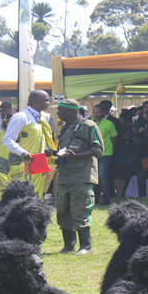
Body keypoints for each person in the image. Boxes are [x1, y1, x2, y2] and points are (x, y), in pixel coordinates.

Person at [46, 99, 103, 254]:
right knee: (63, 209)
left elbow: (98, 149)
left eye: (60, 110)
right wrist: (54, 153)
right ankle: (69, 245)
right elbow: (65, 149)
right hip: (64, 175)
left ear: (71, 111)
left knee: (80, 209)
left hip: (82, 175)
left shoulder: (89, 126)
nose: (58, 113)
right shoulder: (65, 128)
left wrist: (76, 156)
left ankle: (85, 245)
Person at [3, 89, 57, 198]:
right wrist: (22, 152)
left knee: (37, 194)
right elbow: (7, 139)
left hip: (39, 162)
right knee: (24, 196)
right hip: (25, 164)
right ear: (36, 101)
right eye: (46, 100)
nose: (48, 103)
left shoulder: (43, 118)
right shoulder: (21, 117)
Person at [92, 104, 118, 206]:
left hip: (106, 154)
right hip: (92, 154)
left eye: (97, 112)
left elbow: (114, 139)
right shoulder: (88, 123)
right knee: (94, 178)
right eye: (94, 112)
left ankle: (106, 200)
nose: (95, 114)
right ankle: (95, 200)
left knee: (103, 177)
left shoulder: (109, 124)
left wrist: (112, 150)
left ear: (102, 113)